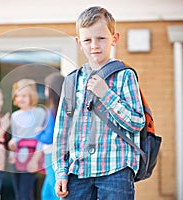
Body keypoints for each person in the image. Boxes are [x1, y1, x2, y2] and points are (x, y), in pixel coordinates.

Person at [52, 6, 146, 200]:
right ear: (79, 42)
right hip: (78, 173)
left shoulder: (125, 76)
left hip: (116, 171)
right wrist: (61, 171)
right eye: (87, 40)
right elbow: (62, 130)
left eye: (101, 38)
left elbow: (137, 123)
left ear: (114, 38)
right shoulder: (72, 81)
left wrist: (106, 94)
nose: (94, 45)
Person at [8, 79, 46, 200]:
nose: (20, 99)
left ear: (32, 96)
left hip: (31, 156)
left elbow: (41, 140)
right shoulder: (15, 116)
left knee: (26, 193)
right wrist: (12, 148)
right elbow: (16, 136)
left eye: (24, 96)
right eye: (18, 96)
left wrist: (35, 159)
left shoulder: (40, 113)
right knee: (19, 194)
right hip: (18, 157)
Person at [37, 72, 64, 200]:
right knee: (47, 191)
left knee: (52, 191)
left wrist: (38, 132)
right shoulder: (61, 109)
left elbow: (49, 137)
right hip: (54, 153)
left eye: (47, 87)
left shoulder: (52, 110)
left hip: (51, 154)